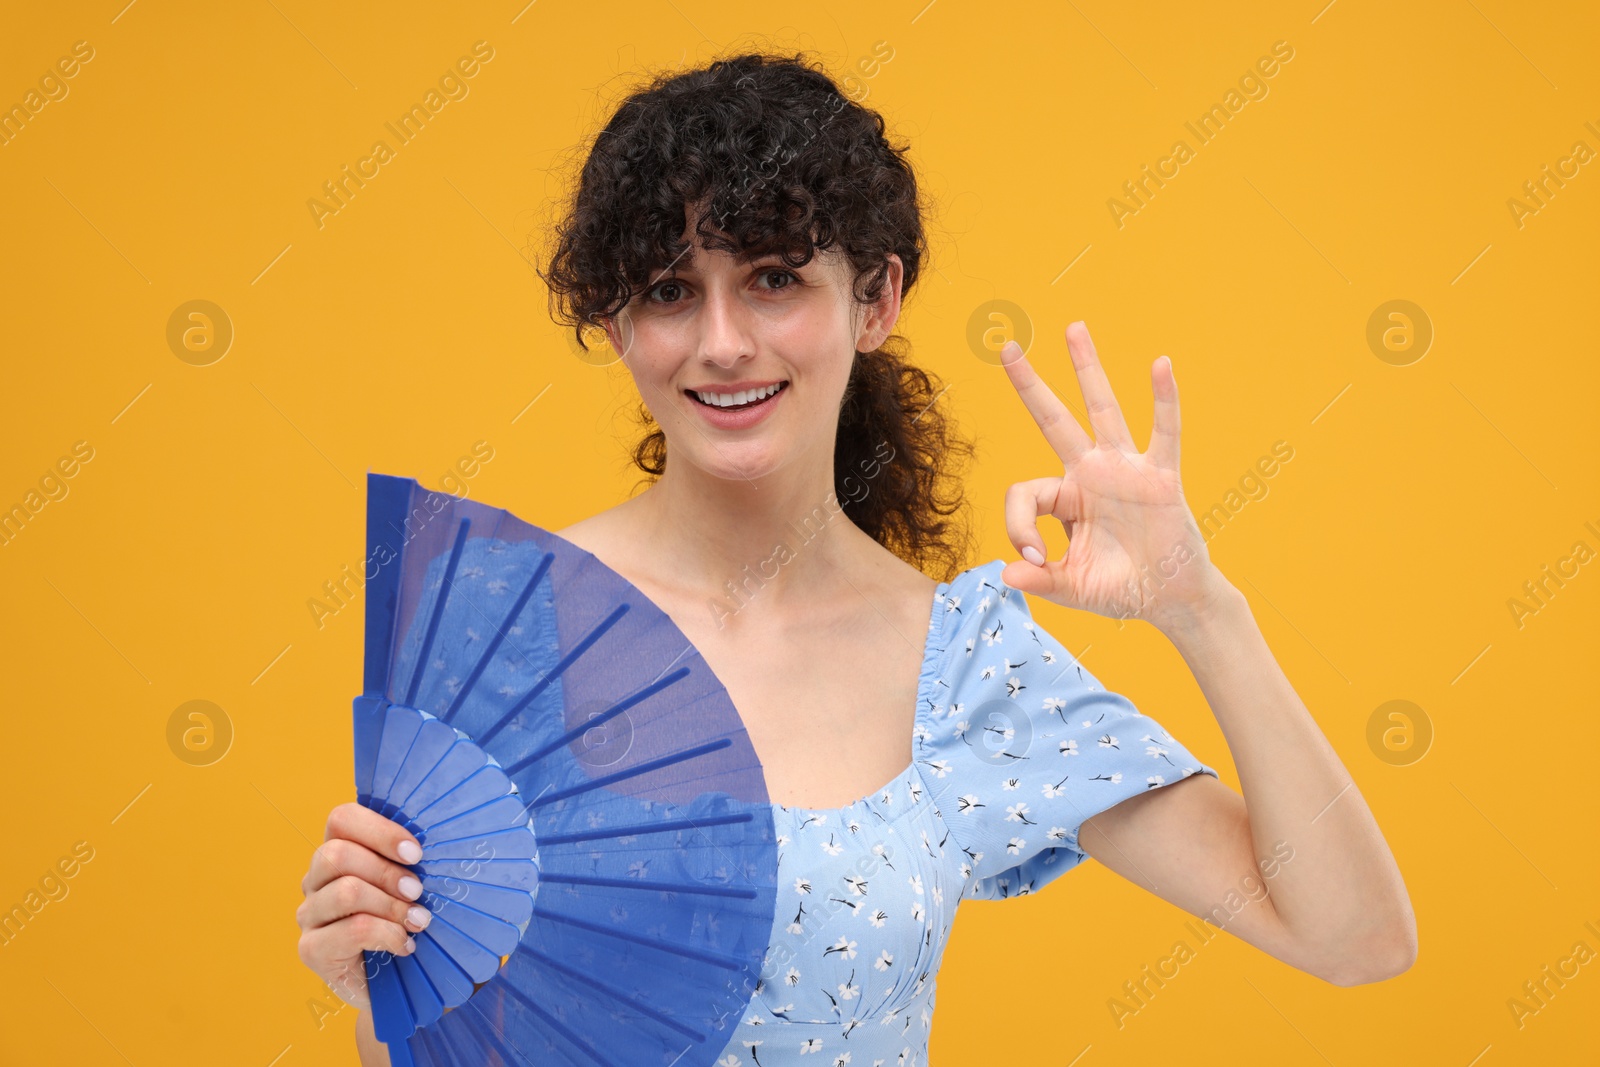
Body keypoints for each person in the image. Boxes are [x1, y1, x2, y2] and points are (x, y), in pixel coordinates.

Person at [296, 51, 1416, 1065]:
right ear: (619, 322)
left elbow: (1353, 936)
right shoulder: (506, 626)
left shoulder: (966, 668)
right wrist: (369, 984)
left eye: (774, 277)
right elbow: (445, 1040)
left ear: (874, 297)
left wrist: (1200, 608)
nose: (723, 341)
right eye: (670, 291)